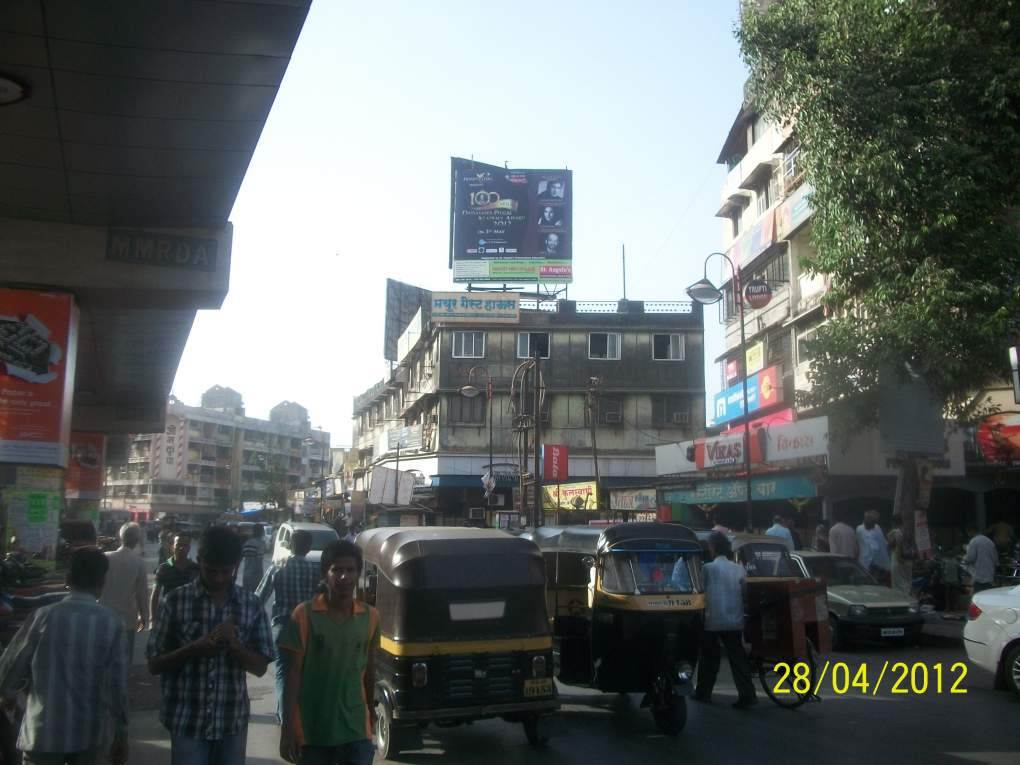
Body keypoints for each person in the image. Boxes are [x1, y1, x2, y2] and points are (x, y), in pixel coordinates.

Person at [147, 526, 274, 765]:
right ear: (199, 561)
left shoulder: (251, 605)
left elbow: (260, 668)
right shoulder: (174, 601)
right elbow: (154, 664)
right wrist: (194, 649)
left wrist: (235, 646)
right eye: (211, 571)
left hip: (231, 722)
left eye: (226, 572)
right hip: (187, 721)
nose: (218, 578)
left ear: (237, 565)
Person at [0, 548, 129, 765]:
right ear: (102, 581)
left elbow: (7, 672)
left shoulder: (43, 617)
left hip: (43, 736)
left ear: (68, 579)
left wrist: (13, 694)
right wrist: (121, 734)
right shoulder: (113, 624)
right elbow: (117, 687)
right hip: (90, 737)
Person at [279, 541, 379, 765]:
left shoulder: (370, 617)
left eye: (350, 570)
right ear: (326, 573)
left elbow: (369, 671)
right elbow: (292, 675)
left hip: (356, 731)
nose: (345, 577)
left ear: (358, 573)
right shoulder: (304, 615)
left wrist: (371, 712)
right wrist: (288, 728)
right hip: (314, 731)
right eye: (338, 570)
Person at [256, 530, 320, 723]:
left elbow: (259, 598)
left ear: (290, 545)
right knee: (303, 673)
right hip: (307, 628)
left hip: (282, 625)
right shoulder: (314, 572)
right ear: (308, 548)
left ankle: (284, 718)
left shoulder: (277, 568)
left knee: (283, 674)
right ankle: (300, 716)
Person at [694, 532, 756, 709]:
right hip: (734, 620)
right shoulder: (738, 569)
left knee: (708, 658)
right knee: (737, 658)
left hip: (712, 619)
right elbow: (745, 592)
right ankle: (747, 694)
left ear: (712, 548)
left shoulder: (707, 569)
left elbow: (700, 592)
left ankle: (704, 692)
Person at [100, 522, 149, 665]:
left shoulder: (106, 557)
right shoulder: (139, 563)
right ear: (137, 540)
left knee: (103, 656)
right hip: (127, 618)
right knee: (124, 659)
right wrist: (144, 616)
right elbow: (142, 593)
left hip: (104, 615)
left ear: (120, 538)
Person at [150, 532, 200, 623]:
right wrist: (152, 618)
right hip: (168, 617)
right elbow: (155, 594)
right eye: (179, 545)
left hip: (190, 617)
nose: (182, 548)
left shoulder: (196, 569)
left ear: (189, 548)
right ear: (173, 547)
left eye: (185, 545)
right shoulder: (163, 568)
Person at [856, 511, 891, 583]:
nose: (874, 523)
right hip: (865, 564)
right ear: (866, 520)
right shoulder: (859, 529)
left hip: (879, 565)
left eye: (874, 522)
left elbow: (883, 544)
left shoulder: (877, 528)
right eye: (872, 521)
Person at [964, 525, 998, 593]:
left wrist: (964, 558)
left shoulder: (973, 541)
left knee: (978, 598)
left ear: (970, 532)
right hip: (990, 576)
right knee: (988, 596)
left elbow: (970, 558)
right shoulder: (989, 541)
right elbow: (996, 560)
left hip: (979, 577)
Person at [886, 517, 914, 596]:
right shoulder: (909, 531)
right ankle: (910, 601)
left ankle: (903, 602)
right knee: (908, 582)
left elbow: (896, 545)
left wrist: (899, 557)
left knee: (899, 584)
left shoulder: (896, 532)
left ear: (894, 523)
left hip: (898, 560)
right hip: (909, 560)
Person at [242, 524, 266, 593]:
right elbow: (259, 561)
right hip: (255, 576)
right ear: (261, 532)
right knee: (254, 596)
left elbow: (241, 558)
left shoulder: (247, 543)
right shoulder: (260, 544)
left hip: (246, 574)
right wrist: (261, 578)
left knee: (246, 596)